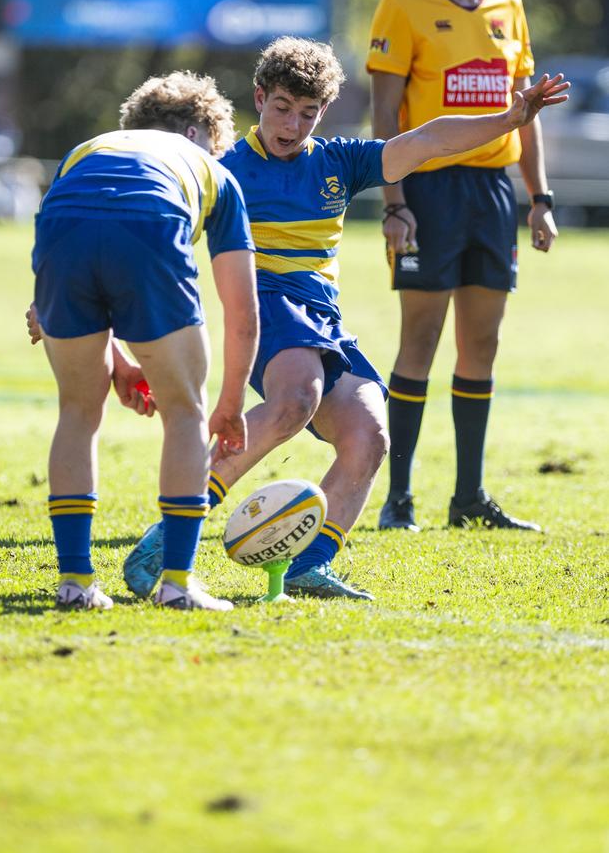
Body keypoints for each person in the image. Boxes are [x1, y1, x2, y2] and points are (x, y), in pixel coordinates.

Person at [123, 36, 568, 600]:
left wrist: (509, 117)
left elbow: (427, 141)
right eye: (282, 107)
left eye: (307, 113)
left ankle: (310, 563)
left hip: (321, 317)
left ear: (324, 112)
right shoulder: (225, 168)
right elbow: (154, 232)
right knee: (294, 400)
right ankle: (169, 535)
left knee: (369, 434)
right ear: (259, 99)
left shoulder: (337, 160)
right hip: (263, 307)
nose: (292, 124)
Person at [367, 0, 560, 533]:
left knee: (482, 342)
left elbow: (526, 114)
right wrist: (394, 201)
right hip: (428, 191)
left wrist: (539, 199)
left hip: (492, 193)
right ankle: (398, 499)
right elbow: (384, 113)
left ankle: (469, 498)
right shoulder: (403, 6)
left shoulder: (510, 6)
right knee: (419, 339)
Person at [31, 70, 259, 611]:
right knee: (185, 413)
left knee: (77, 411)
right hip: (152, 223)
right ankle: (177, 584)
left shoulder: (86, 150)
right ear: (197, 134)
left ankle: (75, 583)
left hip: (63, 233)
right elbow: (243, 312)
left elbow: (59, 245)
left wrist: (117, 360)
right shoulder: (209, 169)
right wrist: (227, 407)